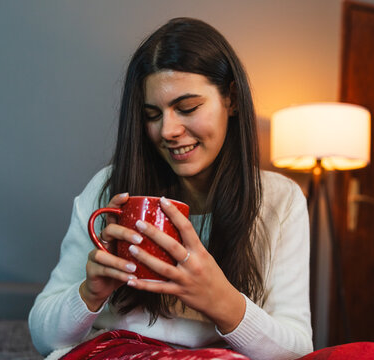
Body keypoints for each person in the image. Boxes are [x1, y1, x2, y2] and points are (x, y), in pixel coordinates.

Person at [29, 17, 312, 360]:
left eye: (187, 108)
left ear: (232, 100)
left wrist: (223, 302)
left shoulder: (280, 200)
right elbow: (44, 337)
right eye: (152, 114)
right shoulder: (110, 189)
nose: (168, 130)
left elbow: (297, 352)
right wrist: (89, 293)